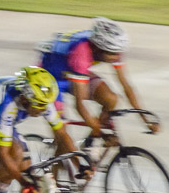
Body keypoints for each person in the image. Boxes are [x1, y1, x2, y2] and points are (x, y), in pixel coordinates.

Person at [36, 17, 158, 145]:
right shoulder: (81, 54)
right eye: (112, 54)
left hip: (71, 71)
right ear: (98, 48)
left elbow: (126, 86)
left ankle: (89, 145)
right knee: (64, 141)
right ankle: (63, 161)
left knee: (111, 99)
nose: (116, 57)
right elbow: (79, 105)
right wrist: (102, 134)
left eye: (118, 53)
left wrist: (146, 119)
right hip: (50, 78)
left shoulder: (112, 49)